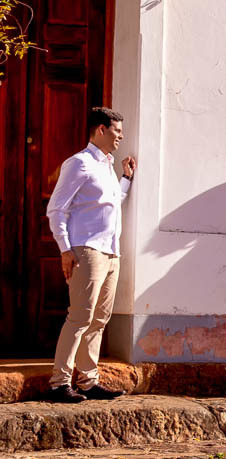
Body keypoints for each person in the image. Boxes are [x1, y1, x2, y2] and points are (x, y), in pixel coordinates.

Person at [46, 107, 137, 403]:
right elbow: (56, 209)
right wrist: (65, 249)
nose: (120, 137)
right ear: (100, 129)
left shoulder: (107, 166)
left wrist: (125, 178)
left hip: (111, 251)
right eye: (117, 132)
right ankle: (60, 382)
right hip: (86, 249)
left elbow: (112, 202)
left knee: (100, 318)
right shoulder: (79, 163)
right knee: (80, 317)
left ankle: (87, 380)